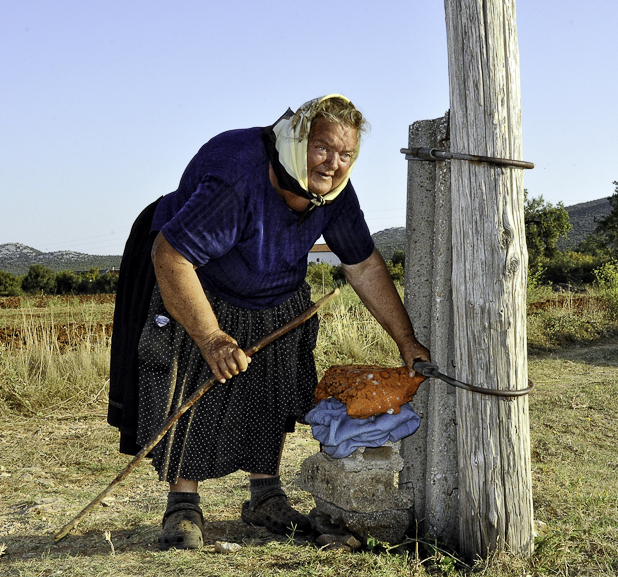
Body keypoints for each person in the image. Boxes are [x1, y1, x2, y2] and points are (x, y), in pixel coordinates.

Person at [107, 94, 430, 550]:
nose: (333, 164)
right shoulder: (237, 177)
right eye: (323, 148)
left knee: (271, 389)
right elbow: (172, 255)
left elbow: (364, 265)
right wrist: (211, 337)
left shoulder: (334, 193)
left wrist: (406, 340)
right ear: (299, 142)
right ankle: (183, 505)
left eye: (346, 155)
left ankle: (265, 498)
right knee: (191, 386)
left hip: (276, 288)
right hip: (198, 279)